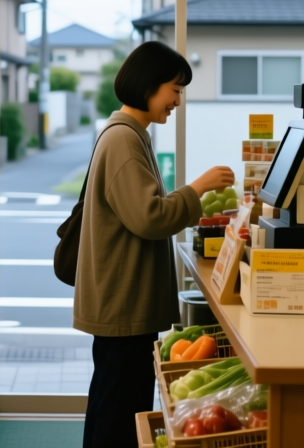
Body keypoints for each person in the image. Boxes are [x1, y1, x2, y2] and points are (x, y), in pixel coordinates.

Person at [74, 41, 235, 448]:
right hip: (122, 302)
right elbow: (149, 218)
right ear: (148, 86)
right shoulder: (124, 140)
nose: (177, 101)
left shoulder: (130, 134)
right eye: (174, 90)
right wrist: (198, 187)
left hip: (122, 299)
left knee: (112, 402)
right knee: (119, 409)